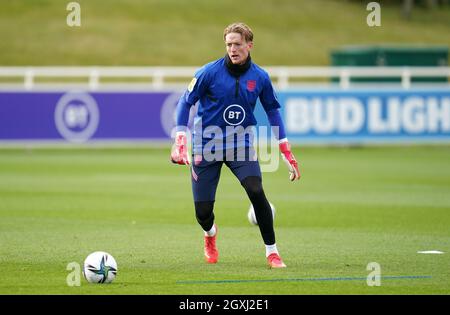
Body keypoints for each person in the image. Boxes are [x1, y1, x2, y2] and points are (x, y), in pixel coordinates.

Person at [171, 22, 300, 268]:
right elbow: (184, 102)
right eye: (229, 44)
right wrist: (180, 138)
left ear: (249, 45)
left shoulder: (260, 77)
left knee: (255, 189)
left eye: (237, 44)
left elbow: (273, 112)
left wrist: (285, 150)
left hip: (240, 145)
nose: (232, 49)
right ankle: (210, 235)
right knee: (203, 213)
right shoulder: (208, 72)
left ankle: (272, 252)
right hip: (206, 145)